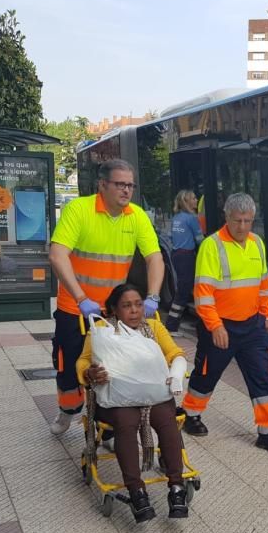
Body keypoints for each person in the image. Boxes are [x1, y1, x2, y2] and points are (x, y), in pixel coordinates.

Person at [47, 159, 165, 436]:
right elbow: (57, 254)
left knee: (113, 370)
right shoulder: (79, 210)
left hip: (113, 312)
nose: (126, 190)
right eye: (120, 184)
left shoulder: (136, 216)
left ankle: (109, 430)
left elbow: (155, 258)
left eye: (130, 185)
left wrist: (154, 297)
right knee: (69, 366)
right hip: (75, 308)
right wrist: (80, 297)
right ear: (102, 185)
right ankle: (68, 411)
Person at [181, 192, 268, 455]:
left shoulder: (257, 244)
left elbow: (263, 284)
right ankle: (190, 414)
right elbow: (203, 292)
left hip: (253, 326)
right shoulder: (212, 245)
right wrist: (215, 326)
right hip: (221, 326)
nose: (242, 227)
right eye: (237, 220)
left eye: (248, 221)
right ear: (227, 217)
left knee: (262, 380)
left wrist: (267, 317)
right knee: (207, 374)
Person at [77, 284, 189, 522]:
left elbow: (176, 354)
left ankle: (177, 488)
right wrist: (89, 373)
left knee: (167, 419)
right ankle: (136, 491)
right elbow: (83, 361)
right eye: (127, 306)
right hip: (117, 400)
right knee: (126, 421)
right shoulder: (101, 330)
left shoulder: (155, 328)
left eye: (138, 304)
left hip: (153, 397)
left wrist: (177, 374)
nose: (135, 311)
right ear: (114, 310)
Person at [165, 190, 204, 332]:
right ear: (187, 202)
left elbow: (170, 236)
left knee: (185, 288)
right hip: (187, 257)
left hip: (176, 255)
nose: (196, 200)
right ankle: (171, 325)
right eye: (193, 198)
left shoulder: (176, 218)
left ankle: (174, 323)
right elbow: (200, 240)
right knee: (184, 291)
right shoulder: (191, 219)